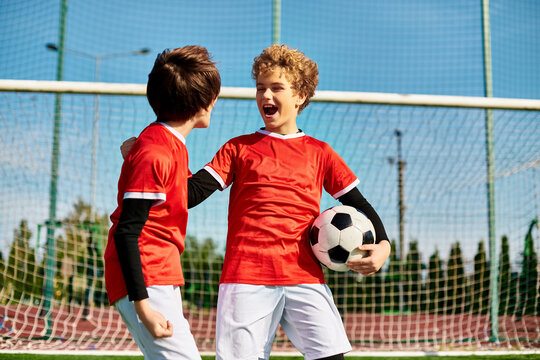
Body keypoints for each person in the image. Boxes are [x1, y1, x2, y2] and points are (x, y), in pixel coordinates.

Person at [122, 44, 390, 360]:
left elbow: (360, 204)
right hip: (246, 277)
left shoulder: (321, 153)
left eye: (277, 88)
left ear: (300, 96)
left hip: (304, 274)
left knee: (331, 356)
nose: (266, 96)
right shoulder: (238, 148)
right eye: (261, 88)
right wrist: (144, 158)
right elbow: (190, 195)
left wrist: (383, 245)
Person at [104, 45, 221, 360]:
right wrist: (144, 308)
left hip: (159, 271)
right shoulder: (156, 151)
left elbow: (182, 194)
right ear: (204, 103)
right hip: (146, 273)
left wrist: (225, 167)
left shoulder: (168, 143)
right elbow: (128, 231)